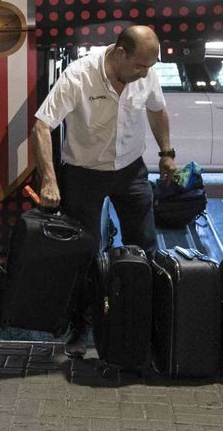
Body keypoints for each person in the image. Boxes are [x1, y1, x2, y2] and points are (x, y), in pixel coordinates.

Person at [31, 25, 177, 356]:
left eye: (150, 67)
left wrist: (166, 153)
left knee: (146, 247)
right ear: (119, 53)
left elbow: (157, 109)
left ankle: (151, 323)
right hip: (84, 173)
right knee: (85, 253)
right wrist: (49, 179)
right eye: (140, 65)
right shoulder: (79, 75)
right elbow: (41, 126)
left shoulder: (145, 73)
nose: (145, 73)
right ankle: (83, 327)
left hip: (130, 170)